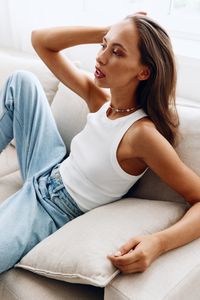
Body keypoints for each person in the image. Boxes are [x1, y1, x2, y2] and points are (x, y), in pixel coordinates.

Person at [0, 13, 200, 275]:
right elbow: (40, 41)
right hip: (48, 165)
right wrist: (108, 31)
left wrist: (157, 243)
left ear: (144, 71)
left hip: (50, 208)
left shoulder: (142, 136)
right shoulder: (101, 100)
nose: (101, 57)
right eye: (103, 46)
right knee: (22, 81)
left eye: (117, 52)